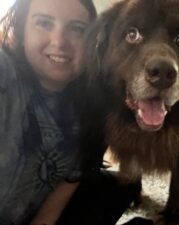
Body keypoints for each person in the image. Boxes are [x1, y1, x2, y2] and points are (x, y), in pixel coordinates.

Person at [0, 0, 149, 224]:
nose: (59, 42)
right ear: (21, 32)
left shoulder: (91, 112)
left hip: (37, 209)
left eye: (77, 29)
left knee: (119, 189)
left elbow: (53, 208)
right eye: (43, 23)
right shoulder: (5, 75)